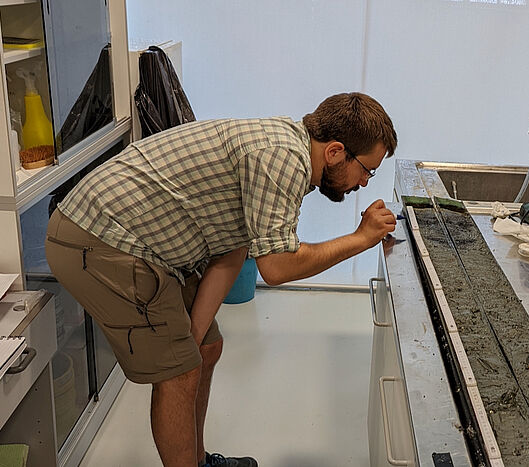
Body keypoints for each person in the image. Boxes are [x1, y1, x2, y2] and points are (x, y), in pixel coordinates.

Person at [45, 92, 398, 467]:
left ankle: (197, 461)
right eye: (366, 170)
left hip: (137, 242)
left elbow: (233, 249)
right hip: (99, 237)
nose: (364, 183)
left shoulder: (287, 148)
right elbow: (277, 268)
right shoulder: (283, 159)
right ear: (335, 152)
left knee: (205, 350)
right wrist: (361, 240)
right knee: (179, 372)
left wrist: (193, 339)